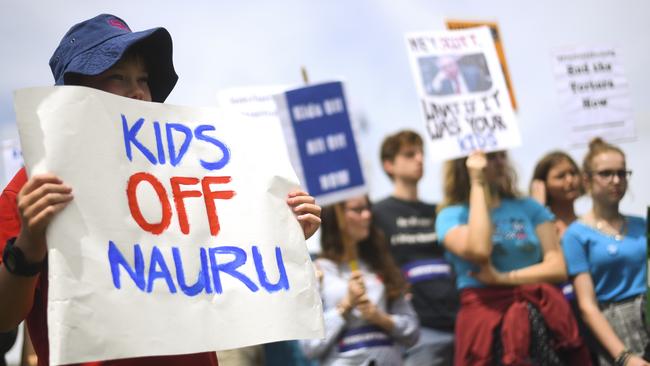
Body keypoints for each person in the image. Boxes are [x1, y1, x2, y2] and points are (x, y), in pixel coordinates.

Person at [0, 14, 322, 366]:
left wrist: (279, 236)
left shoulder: (189, 175)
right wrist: (28, 246)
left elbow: (227, 275)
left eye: (144, 79)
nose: (138, 90)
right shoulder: (33, 187)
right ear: (73, 91)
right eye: (116, 77)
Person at [435, 151, 591, 365]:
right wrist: (478, 183)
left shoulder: (528, 207)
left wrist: (501, 278)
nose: (499, 163)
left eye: (502, 156)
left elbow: (557, 267)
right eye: (490, 158)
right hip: (485, 321)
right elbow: (480, 249)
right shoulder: (451, 215)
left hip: (539, 316)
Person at [300, 196, 419, 365]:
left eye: (368, 208)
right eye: (357, 210)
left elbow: (412, 331)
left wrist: (380, 318)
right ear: (336, 217)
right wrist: (345, 306)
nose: (367, 215)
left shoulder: (382, 266)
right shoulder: (317, 271)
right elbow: (309, 346)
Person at [372, 130, 458, 365]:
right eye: (410, 154)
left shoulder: (440, 211)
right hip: (418, 332)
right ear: (388, 165)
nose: (420, 159)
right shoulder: (377, 213)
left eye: (421, 153)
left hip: (459, 322)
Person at [562, 138, 649, 366]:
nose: (616, 180)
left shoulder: (642, 224)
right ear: (587, 180)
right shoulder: (576, 235)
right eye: (606, 173)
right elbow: (587, 305)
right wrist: (624, 357)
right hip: (616, 329)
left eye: (622, 173)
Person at [530, 151, 583, 237]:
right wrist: (537, 208)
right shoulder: (538, 226)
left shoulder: (589, 223)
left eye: (573, 173)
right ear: (542, 184)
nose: (570, 180)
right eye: (561, 176)